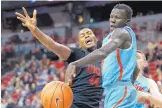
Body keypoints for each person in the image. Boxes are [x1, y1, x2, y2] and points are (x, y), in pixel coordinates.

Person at [15, 7, 103, 108]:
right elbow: (54, 45)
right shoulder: (78, 54)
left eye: (89, 33)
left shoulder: (104, 61)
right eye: (82, 35)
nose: (86, 36)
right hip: (75, 104)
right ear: (80, 44)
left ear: (96, 39)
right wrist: (35, 30)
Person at [65, 4, 139, 108]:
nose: (112, 20)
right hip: (114, 91)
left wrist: (75, 63)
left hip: (119, 89)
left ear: (127, 21)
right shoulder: (111, 38)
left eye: (117, 17)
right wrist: (132, 83)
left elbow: (102, 52)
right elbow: (136, 66)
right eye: (111, 16)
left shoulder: (121, 32)